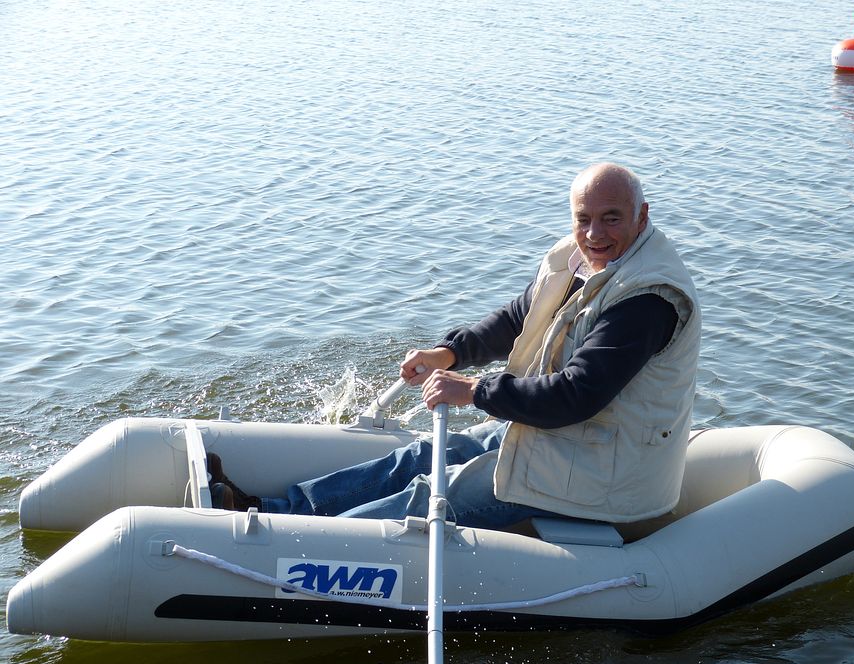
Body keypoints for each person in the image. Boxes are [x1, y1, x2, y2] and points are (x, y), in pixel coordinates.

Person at [213, 163, 701, 531]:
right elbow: (518, 318)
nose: (595, 234)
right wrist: (448, 353)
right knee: (423, 455)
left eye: (611, 219)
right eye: (584, 219)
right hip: (561, 440)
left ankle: (288, 541)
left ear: (642, 216)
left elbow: (577, 395)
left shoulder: (646, 299)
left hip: (600, 476)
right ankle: (273, 510)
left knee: (432, 493)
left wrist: (473, 390)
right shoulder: (582, 259)